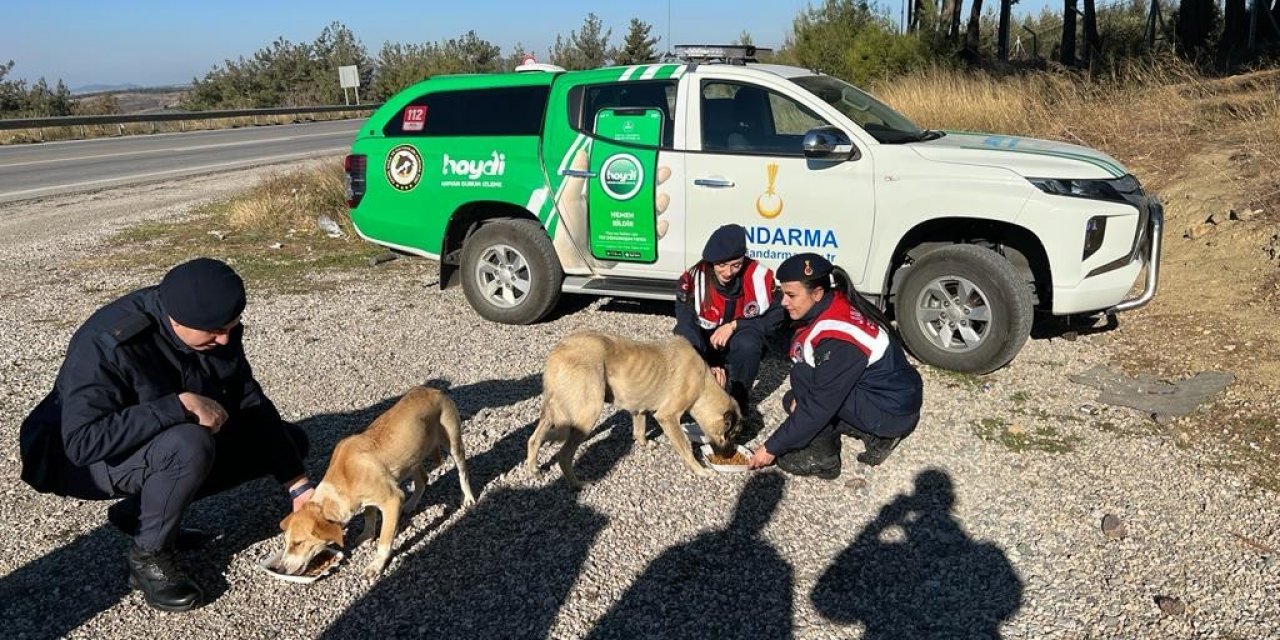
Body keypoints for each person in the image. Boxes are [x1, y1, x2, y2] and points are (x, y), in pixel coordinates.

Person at [18, 258, 316, 612]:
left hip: (147, 436)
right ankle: (149, 558)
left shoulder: (216, 328)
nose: (224, 339)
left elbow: (251, 402)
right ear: (176, 320)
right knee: (189, 445)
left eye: (231, 326)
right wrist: (178, 406)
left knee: (288, 443)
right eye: (213, 331)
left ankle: (142, 515)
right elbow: (83, 442)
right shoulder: (107, 343)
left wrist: (298, 485)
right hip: (72, 458)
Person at [747, 253, 923, 479]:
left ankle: (825, 458)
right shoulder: (835, 301)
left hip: (892, 411)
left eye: (791, 295)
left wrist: (771, 448)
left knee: (804, 379)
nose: (784, 301)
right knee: (792, 399)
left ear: (817, 293)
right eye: (782, 293)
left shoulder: (840, 340)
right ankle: (860, 431)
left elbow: (818, 405)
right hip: (892, 395)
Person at [674, 223, 785, 417]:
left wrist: (736, 325)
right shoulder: (692, 280)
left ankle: (739, 402)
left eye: (736, 265)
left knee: (749, 342)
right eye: (721, 265)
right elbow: (685, 324)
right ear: (710, 262)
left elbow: (777, 317)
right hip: (705, 343)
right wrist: (705, 364)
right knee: (683, 339)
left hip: (738, 341)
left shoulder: (760, 277)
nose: (728, 272)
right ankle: (695, 399)